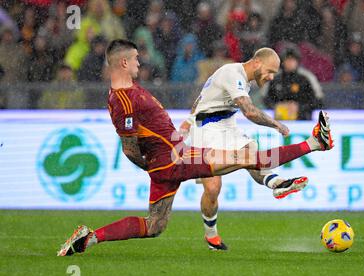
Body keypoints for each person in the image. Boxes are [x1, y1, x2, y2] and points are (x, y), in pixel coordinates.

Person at [57, 39, 334, 257]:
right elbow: (129, 148)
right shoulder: (124, 100)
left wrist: (162, 158)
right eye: (136, 59)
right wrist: (159, 163)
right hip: (175, 158)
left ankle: (88, 237)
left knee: (155, 226)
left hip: (167, 160)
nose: (140, 63)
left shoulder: (126, 93)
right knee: (250, 158)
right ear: (124, 62)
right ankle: (314, 143)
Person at [179, 47, 319, 250]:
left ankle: (277, 183)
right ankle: (211, 235)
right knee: (212, 188)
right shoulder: (233, 73)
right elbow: (250, 112)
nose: (271, 77)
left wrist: (187, 118)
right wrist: (276, 124)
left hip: (228, 125)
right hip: (206, 129)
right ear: (256, 63)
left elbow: (202, 96)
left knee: (252, 153)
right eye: (270, 71)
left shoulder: (243, 80)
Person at [264, 46, 324, 120]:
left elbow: (318, 100)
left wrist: (299, 107)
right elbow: (266, 99)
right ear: (283, 62)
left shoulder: (306, 78)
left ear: (297, 61)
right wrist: (277, 106)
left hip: (303, 121)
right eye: (287, 59)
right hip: (279, 122)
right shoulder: (275, 79)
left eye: (292, 59)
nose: (290, 62)